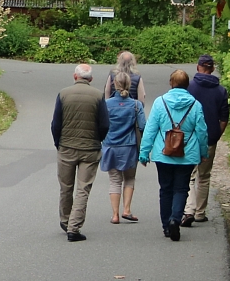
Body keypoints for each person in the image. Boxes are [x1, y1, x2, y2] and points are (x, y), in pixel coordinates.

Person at [139, 68, 209, 241]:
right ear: (187, 85)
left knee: (165, 189)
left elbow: (151, 129)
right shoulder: (195, 105)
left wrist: (144, 151)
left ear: (171, 83)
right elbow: (202, 131)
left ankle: (166, 226)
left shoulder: (160, 103)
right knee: (181, 188)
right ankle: (175, 219)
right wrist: (203, 152)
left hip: (163, 154)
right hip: (187, 154)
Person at [50, 63, 110, 241]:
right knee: (83, 188)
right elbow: (104, 124)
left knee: (66, 187)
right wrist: (97, 139)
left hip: (66, 147)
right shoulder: (98, 96)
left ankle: (66, 219)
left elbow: (56, 124)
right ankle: (74, 227)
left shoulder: (63, 94)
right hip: (90, 149)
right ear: (90, 79)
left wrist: (58, 143)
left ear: (75, 76)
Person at [186, 53, 230, 224]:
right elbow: (224, 118)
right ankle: (200, 212)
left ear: (198, 67)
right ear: (212, 68)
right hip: (210, 138)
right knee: (204, 176)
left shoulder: (189, 88)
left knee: (189, 175)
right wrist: (216, 135)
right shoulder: (221, 90)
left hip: (189, 138)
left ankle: (188, 209)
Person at [99, 71, 143, 224]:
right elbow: (143, 125)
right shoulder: (136, 105)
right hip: (129, 147)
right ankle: (127, 210)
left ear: (113, 85)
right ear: (130, 86)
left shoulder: (106, 104)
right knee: (129, 178)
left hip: (111, 146)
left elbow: (100, 125)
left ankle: (115, 214)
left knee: (114, 181)